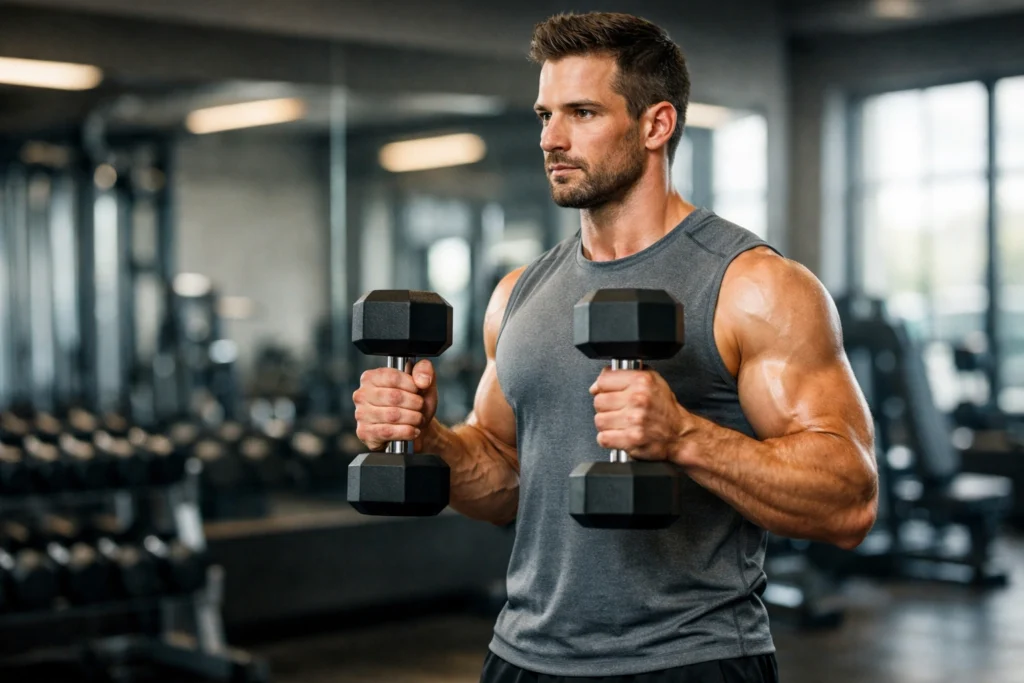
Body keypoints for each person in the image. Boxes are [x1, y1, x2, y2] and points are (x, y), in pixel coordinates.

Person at [353, 11, 877, 683]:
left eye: (581, 112)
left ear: (656, 125)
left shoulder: (753, 286)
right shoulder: (519, 294)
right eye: (545, 114)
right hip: (523, 655)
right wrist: (426, 438)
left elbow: (850, 501)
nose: (552, 138)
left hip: (691, 657)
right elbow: (504, 479)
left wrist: (685, 435)